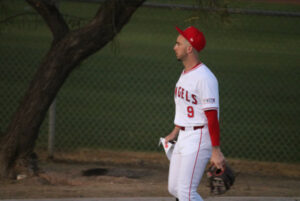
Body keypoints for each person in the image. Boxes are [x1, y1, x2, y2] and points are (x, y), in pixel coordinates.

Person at [164, 26, 225, 201]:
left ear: (189, 48)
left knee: (186, 192)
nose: (174, 47)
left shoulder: (205, 78)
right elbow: (185, 108)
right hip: (184, 136)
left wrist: (216, 151)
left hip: (199, 138)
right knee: (174, 188)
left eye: (178, 43)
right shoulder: (185, 74)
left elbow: (212, 117)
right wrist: (175, 132)